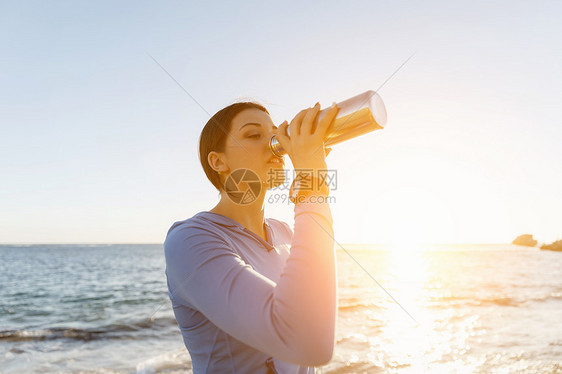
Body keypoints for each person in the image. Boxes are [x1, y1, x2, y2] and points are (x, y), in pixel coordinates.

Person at [164, 100, 340, 373]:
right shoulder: (189, 240)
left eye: (273, 134)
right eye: (253, 135)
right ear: (218, 161)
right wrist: (311, 182)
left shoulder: (285, 232)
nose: (275, 144)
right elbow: (308, 342)